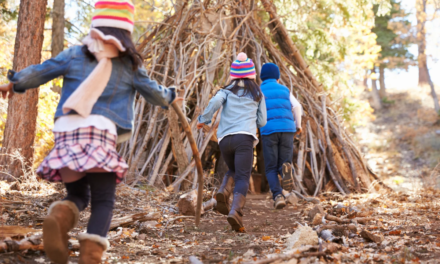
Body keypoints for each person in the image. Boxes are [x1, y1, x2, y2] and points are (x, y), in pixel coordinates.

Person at [0, 1, 176, 263]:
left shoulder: (74, 54)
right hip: (100, 135)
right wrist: (172, 96)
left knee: (77, 195)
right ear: (126, 32)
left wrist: (13, 85)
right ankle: (90, 258)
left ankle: (58, 219)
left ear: (95, 26)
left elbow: (42, 71)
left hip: (67, 134)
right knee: (103, 201)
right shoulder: (130, 65)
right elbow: (154, 94)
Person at [197, 52, 267, 231]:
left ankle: (223, 191)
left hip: (224, 140)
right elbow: (262, 122)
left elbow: (214, 103)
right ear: (252, 74)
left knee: (233, 170)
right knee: (243, 175)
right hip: (244, 138)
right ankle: (235, 211)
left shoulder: (226, 91)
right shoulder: (257, 93)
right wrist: (253, 122)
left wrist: (203, 119)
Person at [259, 63, 302, 210]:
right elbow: (296, 106)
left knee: (270, 167)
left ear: (261, 77)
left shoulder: (259, 91)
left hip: (269, 130)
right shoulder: (285, 90)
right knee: (285, 163)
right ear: (277, 77)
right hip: (287, 129)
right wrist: (298, 125)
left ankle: (277, 196)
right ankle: (286, 173)